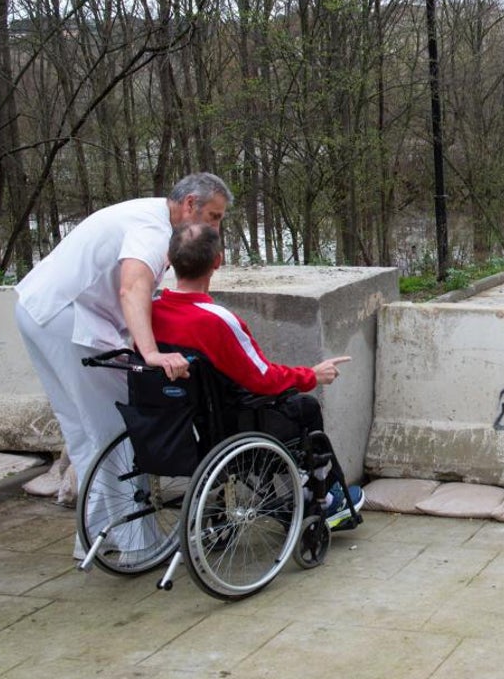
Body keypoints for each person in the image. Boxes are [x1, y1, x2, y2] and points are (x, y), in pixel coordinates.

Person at [14, 173, 232, 554]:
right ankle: (138, 545)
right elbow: (132, 287)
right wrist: (149, 354)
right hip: (69, 319)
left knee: (85, 435)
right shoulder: (151, 231)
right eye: (213, 217)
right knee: (123, 429)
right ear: (189, 206)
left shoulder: (151, 215)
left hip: (38, 308)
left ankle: (96, 539)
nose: (215, 226)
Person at [151, 221, 363, 528]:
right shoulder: (218, 321)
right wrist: (311, 375)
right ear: (217, 261)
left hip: (172, 427)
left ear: (168, 259)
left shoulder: (152, 312)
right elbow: (261, 377)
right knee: (305, 408)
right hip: (224, 429)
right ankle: (324, 498)